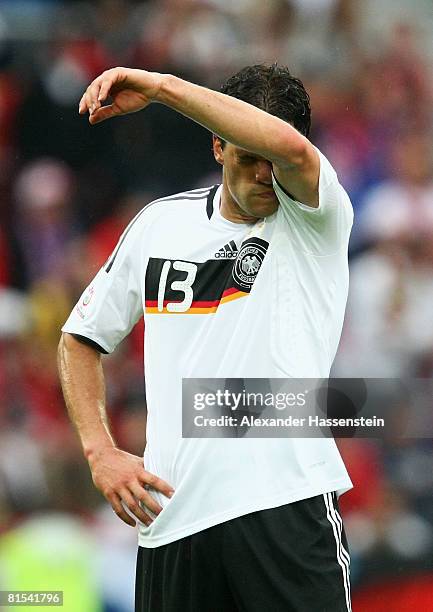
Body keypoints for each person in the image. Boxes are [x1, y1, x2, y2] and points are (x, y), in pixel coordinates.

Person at [58, 64, 353, 612]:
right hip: (172, 520)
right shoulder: (158, 226)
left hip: (284, 504)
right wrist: (100, 452)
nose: (266, 174)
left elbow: (286, 147)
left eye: (274, 160)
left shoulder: (317, 216)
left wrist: (159, 88)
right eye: (247, 156)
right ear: (217, 147)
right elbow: (80, 339)